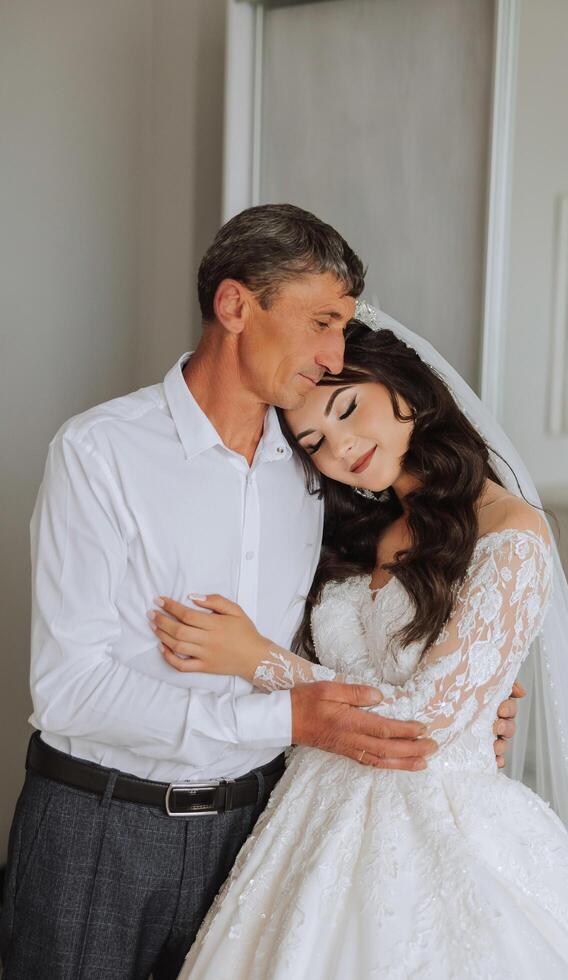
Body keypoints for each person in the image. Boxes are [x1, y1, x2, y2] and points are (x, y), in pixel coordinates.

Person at [0, 206, 519, 980]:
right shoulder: (100, 452)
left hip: (264, 833)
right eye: (320, 321)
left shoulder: (326, 471)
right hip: (100, 827)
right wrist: (291, 714)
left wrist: (469, 705)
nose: (334, 353)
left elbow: (382, 614)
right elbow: (69, 690)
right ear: (236, 306)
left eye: (342, 327)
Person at [151, 315, 568, 978]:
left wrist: (254, 658)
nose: (339, 445)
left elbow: (426, 724)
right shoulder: (360, 531)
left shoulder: (512, 532)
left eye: (347, 408)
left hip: (438, 824)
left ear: (405, 391)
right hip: (309, 815)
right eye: (314, 439)